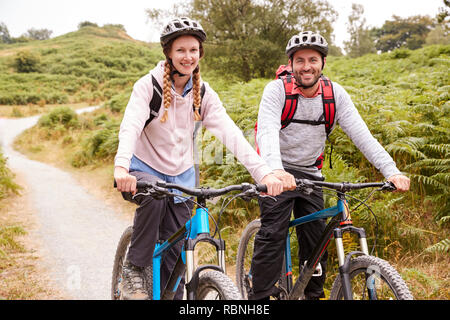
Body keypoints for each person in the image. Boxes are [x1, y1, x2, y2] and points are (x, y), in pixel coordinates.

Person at [113, 17, 284, 300]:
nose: (188, 56)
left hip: (181, 177)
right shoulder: (148, 86)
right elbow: (130, 126)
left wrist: (263, 173)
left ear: (200, 53)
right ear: (168, 52)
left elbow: (231, 134)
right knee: (154, 199)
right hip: (142, 170)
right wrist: (121, 167)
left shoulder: (202, 92)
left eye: (193, 50)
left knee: (175, 262)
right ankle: (134, 267)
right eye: (181, 50)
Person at [250, 31, 410, 300]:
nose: (306, 66)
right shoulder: (276, 90)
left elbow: (363, 136)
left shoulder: (334, 95)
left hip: (312, 174)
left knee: (316, 241)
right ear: (290, 65)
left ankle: (313, 296)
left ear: (322, 63)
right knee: (273, 233)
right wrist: (276, 171)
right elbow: (266, 132)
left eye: (312, 59)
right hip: (275, 170)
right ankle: (259, 299)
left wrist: (391, 170)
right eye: (299, 60)